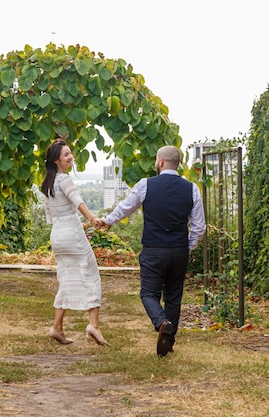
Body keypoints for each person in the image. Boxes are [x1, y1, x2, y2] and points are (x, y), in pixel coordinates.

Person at [95, 145, 205, 357]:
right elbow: (199, 227)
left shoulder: (146, 185)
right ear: (178, 163)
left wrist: (108, 221)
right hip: (178, 250)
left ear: (160, 162)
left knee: (148, 293)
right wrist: (187, 246)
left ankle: (161, 322)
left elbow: (126, 207)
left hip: (154, 249)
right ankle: (169, 342)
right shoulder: (191, 188)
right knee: (173, 296)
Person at [40, 138, 109, 346]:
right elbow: (77, 201)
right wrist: (92, 219)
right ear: (56, 161)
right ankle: (93, 325)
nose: (71, 157)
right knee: (91, 274)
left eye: (71, 153)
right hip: (72, 231)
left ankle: (57, 328)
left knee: (66, 279)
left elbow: (49, 217)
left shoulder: (47, 184)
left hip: (57, 234)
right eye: (66, 155)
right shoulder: (65, 180)